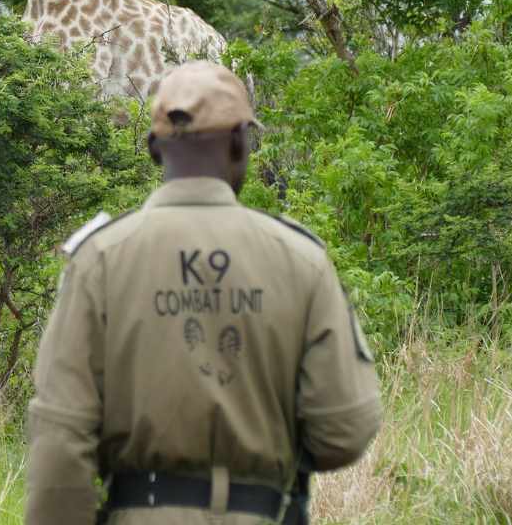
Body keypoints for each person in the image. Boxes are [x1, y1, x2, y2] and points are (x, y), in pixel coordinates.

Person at [26, 61, 382, 524]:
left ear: (154, 149)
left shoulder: (101, 259)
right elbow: (344, 431)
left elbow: (61, 436)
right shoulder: (299, 258)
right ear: (240, 141)